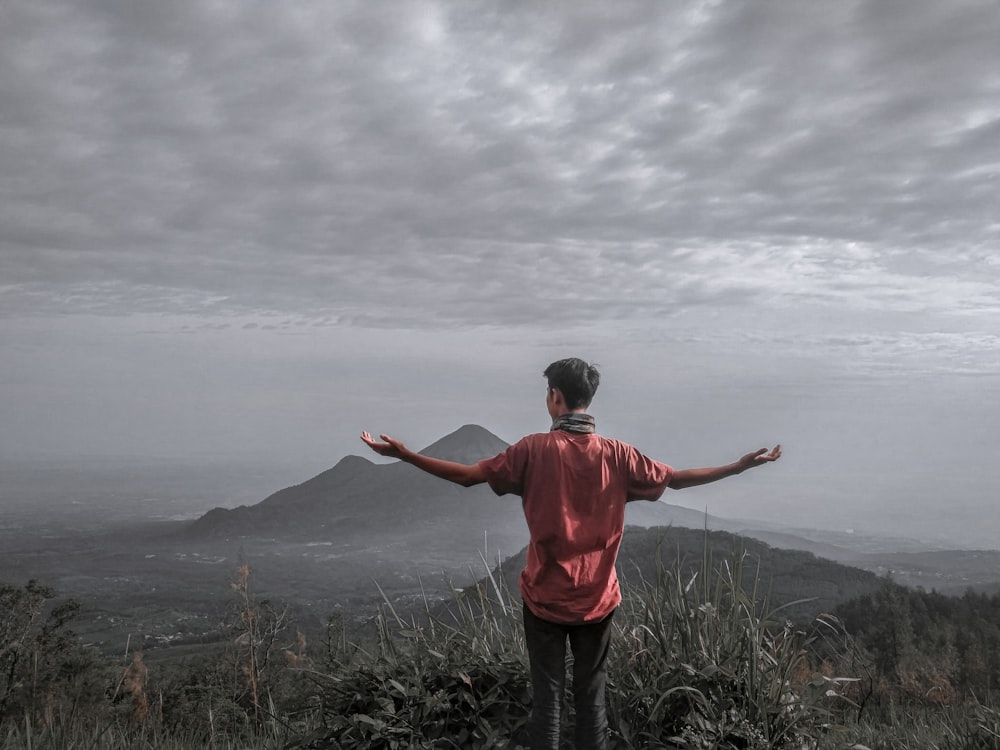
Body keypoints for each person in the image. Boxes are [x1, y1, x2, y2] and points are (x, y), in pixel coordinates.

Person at [361, 357, 781, 750]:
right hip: (598, 602)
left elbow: (470, 477)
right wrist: (737, 467)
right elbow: (676, 479)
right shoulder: (618, 455)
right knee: (591, 702)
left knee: (547, 703)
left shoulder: (532, 450)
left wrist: (405, 455)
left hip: (543, 600)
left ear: (555, 396)